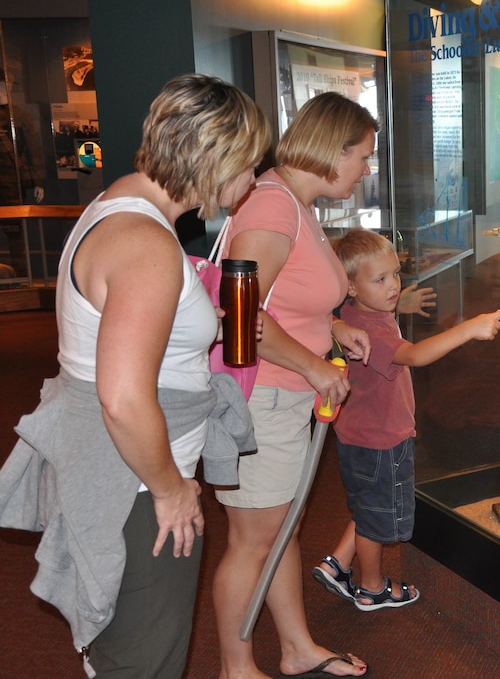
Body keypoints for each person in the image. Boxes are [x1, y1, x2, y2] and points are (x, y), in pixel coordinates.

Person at [0, 73, 269, 676]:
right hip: (137, 485)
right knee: (143, 662)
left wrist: (202, 326)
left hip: (116, 471)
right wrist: (172, 489)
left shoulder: (118, 205)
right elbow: (121, 397)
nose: (251, 183)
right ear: (216, 158)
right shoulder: (145, 241)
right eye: (249, 166)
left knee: (120, 652)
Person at [213, 91, 375, 678]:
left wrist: (331, 328)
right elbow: (239, 315)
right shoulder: (272, 207)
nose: (366, 169)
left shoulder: (297, 204)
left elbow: (284, 298)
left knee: (280, 529)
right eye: (362, 156)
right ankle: (235, 668)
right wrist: (312, 366)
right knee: (252, 539)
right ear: (332, 149)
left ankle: (295, 648)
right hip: (263, 395)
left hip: (286, 394)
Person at [312, 227, 500, 611]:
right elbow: (416, 355)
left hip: (359, 434)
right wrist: (470, 329)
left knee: (370, 503)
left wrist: (397, 303)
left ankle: (337, 562)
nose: (392, 286)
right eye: (380, 279)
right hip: (382, 440)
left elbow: (378, 314)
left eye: (395, 275)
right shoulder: (372, 331)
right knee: (376, 517)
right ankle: (372, 587)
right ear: (350, 287)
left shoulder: (355, 315)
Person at [0, 65, 42, 276]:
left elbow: (33, 150)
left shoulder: (21, 117)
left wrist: (38, 181)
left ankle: (21, 277)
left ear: (6, 86)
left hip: (11, 182)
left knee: (15, 233)